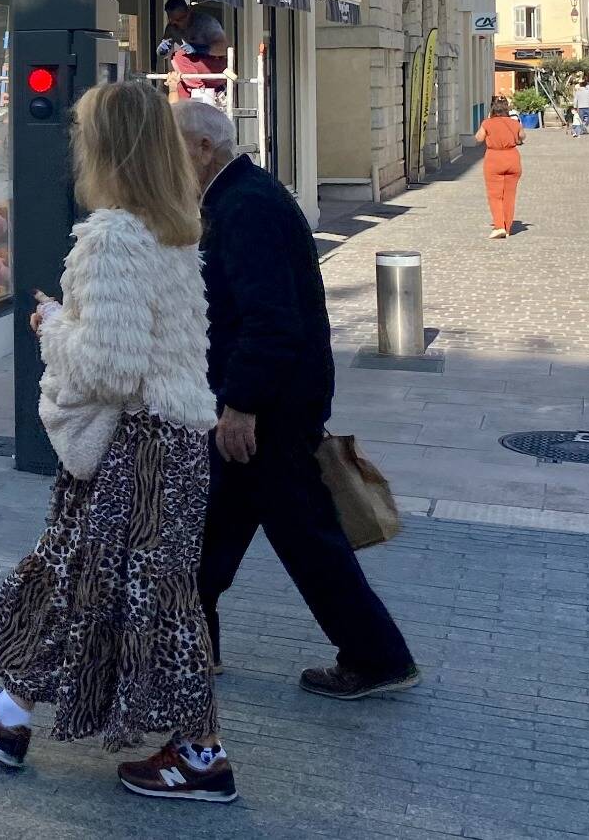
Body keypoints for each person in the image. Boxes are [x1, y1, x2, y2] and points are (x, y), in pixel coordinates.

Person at [0, 81, 235, 804]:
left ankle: (200, 754)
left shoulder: (114, 236)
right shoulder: (170, 226)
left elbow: (109, 366)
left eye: (83, 133)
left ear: (106, 147)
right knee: (76, 579)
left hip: (136, 448)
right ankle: (7, 715)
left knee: (145, 600)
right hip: (172, 443)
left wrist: (52, 327)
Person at [173, 99, 422, 703]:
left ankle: (377, 656)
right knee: (208, 532)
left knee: (308, 540)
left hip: (269, 412)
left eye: (172, 149)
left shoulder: (246, 206)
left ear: (203, 150)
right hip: (264, 405)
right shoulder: (239, 197)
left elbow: (271, 321)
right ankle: (188, 644)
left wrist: (241, 405)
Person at [475, 97, 524, 238]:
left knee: (495, 195)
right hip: (512, 158)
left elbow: (478, 138)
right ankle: (508, 228)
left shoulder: (487, 123)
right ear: (506, 109)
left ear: (493, 110)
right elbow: (522, 136)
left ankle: (499, 226)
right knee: (509, 195)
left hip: (494, 159)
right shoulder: (514, 123)